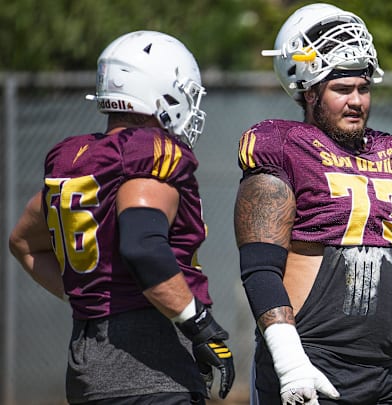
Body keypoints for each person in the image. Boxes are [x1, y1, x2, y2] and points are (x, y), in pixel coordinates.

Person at [233, 3, 392, 404]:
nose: (357, 101)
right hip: (311, 367)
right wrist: (290, 364)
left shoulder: (388, 153)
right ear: (309, 92)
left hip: (381, 374)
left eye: (364, 87)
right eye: (342, 89)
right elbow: (259, 269)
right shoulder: (284, 147)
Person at [8, 30, 235, 404]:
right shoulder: (149, 157)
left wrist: (86, 295)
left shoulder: (83, 162)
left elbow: (22, 241)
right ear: (163, 93)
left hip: (89, 367)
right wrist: (201, 326)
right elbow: (143, 247)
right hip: (150, 372)